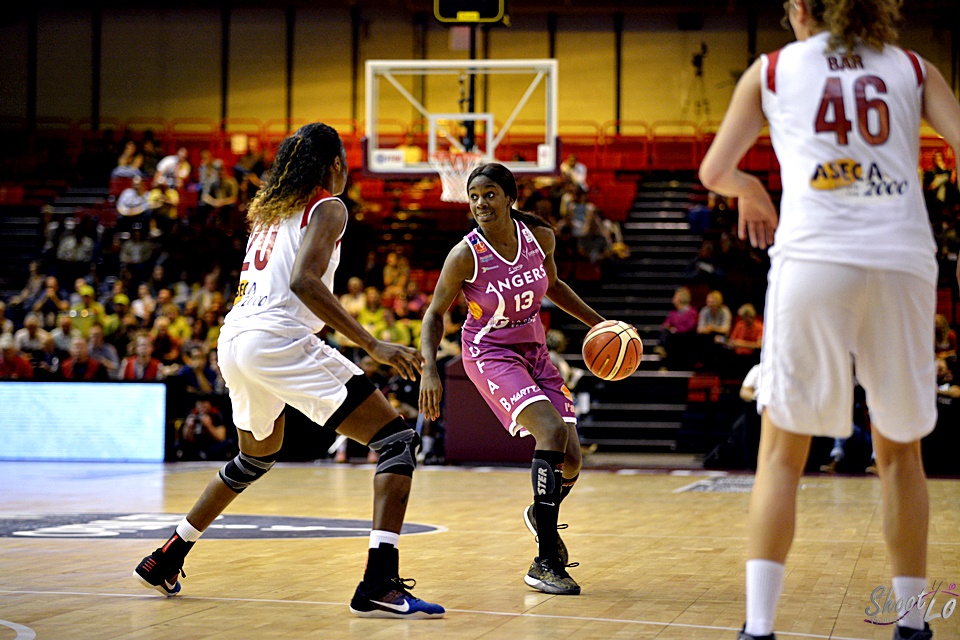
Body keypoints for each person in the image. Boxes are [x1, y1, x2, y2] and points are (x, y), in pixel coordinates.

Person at [698, 0, 960, 638]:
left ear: (799, 10)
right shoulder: (914, 68)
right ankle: (912, 625)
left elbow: (714, 170)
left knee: (782, 454)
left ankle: (759, 628)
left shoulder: (774, 70)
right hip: (901, 260)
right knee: (901, 454)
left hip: (815, 258)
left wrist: (754, 191)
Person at [132, 122, 444, 619]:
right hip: (276, 339)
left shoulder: (271, 212)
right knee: (395, 442)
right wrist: (372, 344)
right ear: (336, 166)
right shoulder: (329, 207)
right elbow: (304, 282)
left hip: (234, 340)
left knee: (254, 457)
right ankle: (379, 584)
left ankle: (167, 555)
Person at [419, 162, 607, 596]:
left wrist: (601, 325)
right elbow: (433, 314)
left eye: (489, 194)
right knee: (551, 430)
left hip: (534, 351)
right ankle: (544, 560)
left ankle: (540, 513)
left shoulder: (539, 239)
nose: (481, 203)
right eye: (474, 197)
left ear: (509, 198)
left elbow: (554, 286)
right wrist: (430, 367)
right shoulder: (465, 254)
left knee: (574, 459)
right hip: (490, 353)